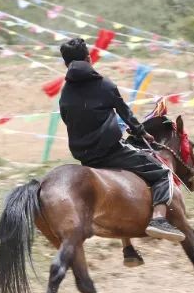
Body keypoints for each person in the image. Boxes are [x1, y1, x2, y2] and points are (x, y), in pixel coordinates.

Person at [57, 37, 184, 242]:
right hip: (110, 152)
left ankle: (128, 247)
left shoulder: (65, 93)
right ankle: (159, 220)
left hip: (85, 157)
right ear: (89, 58)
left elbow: (67, 119)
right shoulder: (104, 84)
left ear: (65, 64)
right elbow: (125, 113)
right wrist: (142, 133)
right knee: (162, 173)